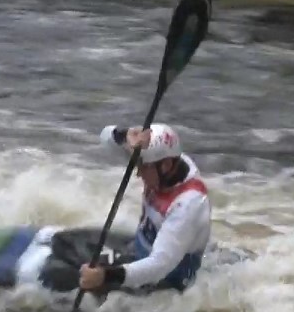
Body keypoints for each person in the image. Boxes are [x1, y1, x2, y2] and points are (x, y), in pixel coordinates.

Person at [78, 123, 212, 294]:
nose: (139, 173)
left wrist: (105, 276)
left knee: (78, 282)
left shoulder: (189, 205)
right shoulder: (164, 163)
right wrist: (124, 135)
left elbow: (160, 265)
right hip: (137, 251)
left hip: (164, 281)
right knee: (68, 243)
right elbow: (105, 138)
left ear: (166, 166)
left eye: (143, 166)